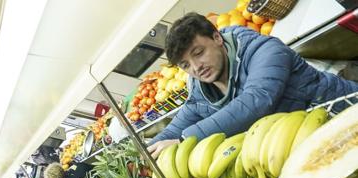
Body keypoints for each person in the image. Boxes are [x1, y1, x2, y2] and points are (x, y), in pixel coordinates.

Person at [148, 13, 358, 158]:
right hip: (312, 144)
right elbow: (175, 128)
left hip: (345, 115)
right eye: (186, 65)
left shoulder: (264, 50)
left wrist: (185, 140)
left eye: (199, 53)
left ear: (217, 38)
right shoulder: (200, 91)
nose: (196, 67)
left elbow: (256, 101)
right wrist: (145, 154)